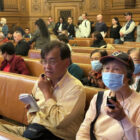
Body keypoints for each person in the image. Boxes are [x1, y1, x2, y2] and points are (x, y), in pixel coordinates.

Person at [0, 40, 86, 140]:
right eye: (44, 61)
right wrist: (32, 111)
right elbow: (31, 118)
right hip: (34, 130)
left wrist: (46, 92)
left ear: (66, 62)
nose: (47, 67)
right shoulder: (41, 81)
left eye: (52, 61)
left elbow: (58, 122)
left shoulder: (75, 88)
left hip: (55, 135)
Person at [77, 51, 140, 140]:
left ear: (129, 76)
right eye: (106, 68)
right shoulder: (98, 97)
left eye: (116, 69)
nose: (110, 73)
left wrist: (123, 118)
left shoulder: (138, 103)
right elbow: (84, 129)